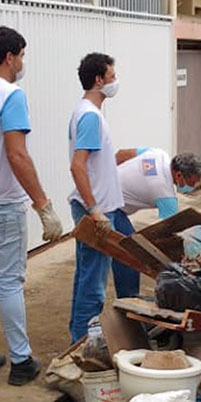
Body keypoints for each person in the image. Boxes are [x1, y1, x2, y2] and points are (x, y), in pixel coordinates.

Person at [0, 26, 63, 385]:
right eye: (22, 55)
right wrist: (43, 204)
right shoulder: (10, 95)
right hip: (3, 205)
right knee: (11, 282)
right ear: (9, 57)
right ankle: (20, 361)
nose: (23, 62)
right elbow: (17, 154)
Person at [67, 52, 135, 342]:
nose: (115, 81)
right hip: (96, 211)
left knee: (89, 277)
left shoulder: (88, 113)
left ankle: (79, 340)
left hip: (101, 209)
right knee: (93, 285)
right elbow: (77, 165)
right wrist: (93, 209)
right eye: (112, 76)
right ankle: (81, 345)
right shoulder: (90, 117)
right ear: (99, 80)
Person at [115, 148, 201, 219]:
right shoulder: (165, 195)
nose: (192, 187)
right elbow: (168, 228)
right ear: (179, 175)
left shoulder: (158, 154)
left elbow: (121, 154)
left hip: (110, 196)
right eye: (191, 183)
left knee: (128, 241)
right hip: (108, 207)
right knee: (110, 240)